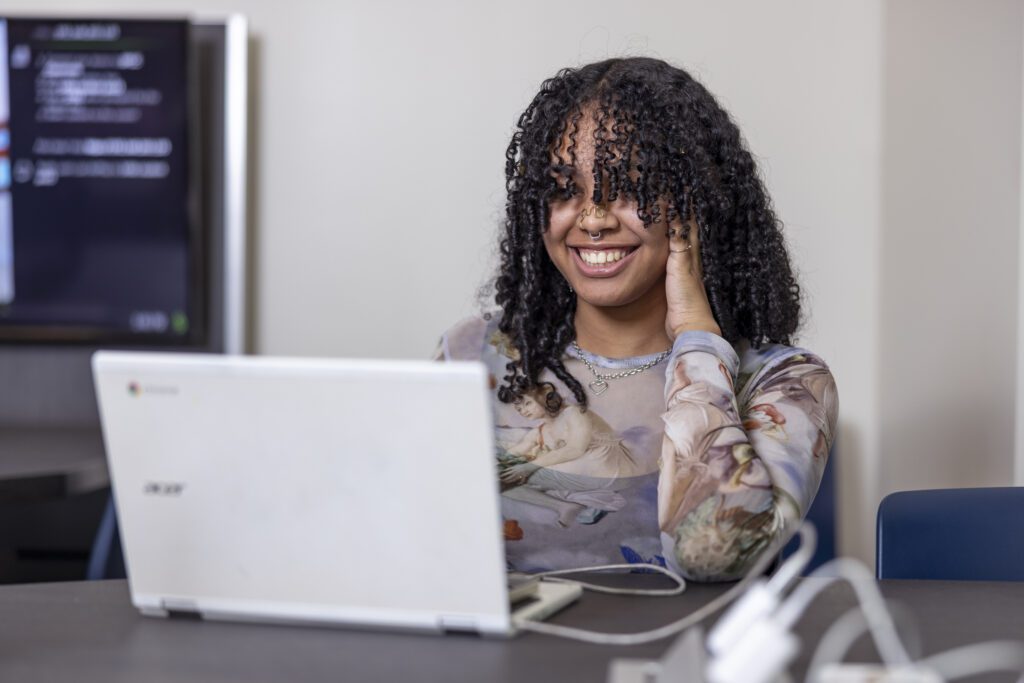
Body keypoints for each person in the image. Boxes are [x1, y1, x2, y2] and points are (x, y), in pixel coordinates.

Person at [436, 57, 838, 580]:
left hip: (680, 660)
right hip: (500, 660)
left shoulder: (787, 382)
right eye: (563, 190)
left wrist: (697, 338)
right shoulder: (472, 355)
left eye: (627, 187)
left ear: (692, 206)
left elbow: (712, 552)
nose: (593, 218)